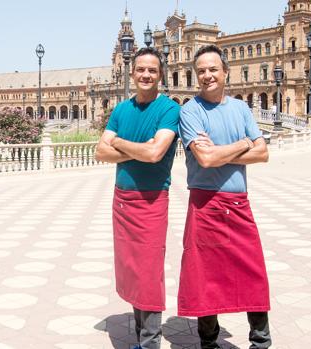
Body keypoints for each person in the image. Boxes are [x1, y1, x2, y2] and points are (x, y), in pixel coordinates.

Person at [177, 44, 271, 348]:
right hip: (205, 204)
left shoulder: (240, 108)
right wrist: (244, 143)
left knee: (253, 270)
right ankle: (209, 342)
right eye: (201, 70)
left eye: (212, 69)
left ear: (225, 72)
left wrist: (220, 152)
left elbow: (263, 153)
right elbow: (205, 160)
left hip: (238, 202)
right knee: (205, 277)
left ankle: (260, 341)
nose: (207, 75)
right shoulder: (190, 110)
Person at [95, 47, 180, 349]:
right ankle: (141, 338)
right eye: (141, 69)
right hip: (122, 199)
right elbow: (100, 152)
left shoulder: (169, 109)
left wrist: (118, 142)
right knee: (130, 267)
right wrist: (136, 147)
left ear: (160, 75)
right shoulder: (121, 109)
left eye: (152, 70)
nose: (146, 75)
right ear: (132, 73)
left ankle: (150, 342)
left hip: (152, 199)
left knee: (149, 270)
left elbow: (156, 153)